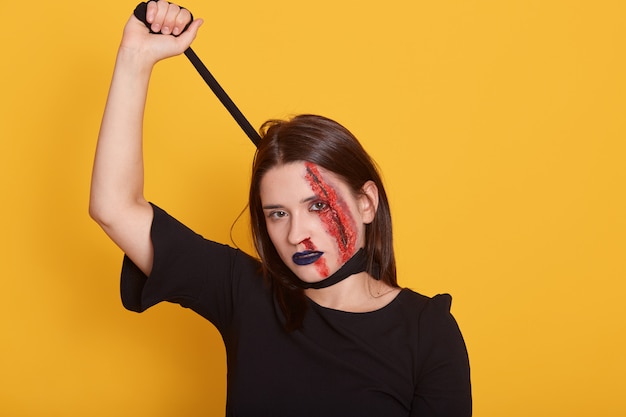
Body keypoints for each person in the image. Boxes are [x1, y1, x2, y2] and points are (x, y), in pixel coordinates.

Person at [90, 1, 472, 416]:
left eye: (316, 204)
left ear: (366, 203)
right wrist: (135, 59)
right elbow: (114, 206)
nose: (295, 234)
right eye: (277, 213)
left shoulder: (427, 331)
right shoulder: (245, 292)